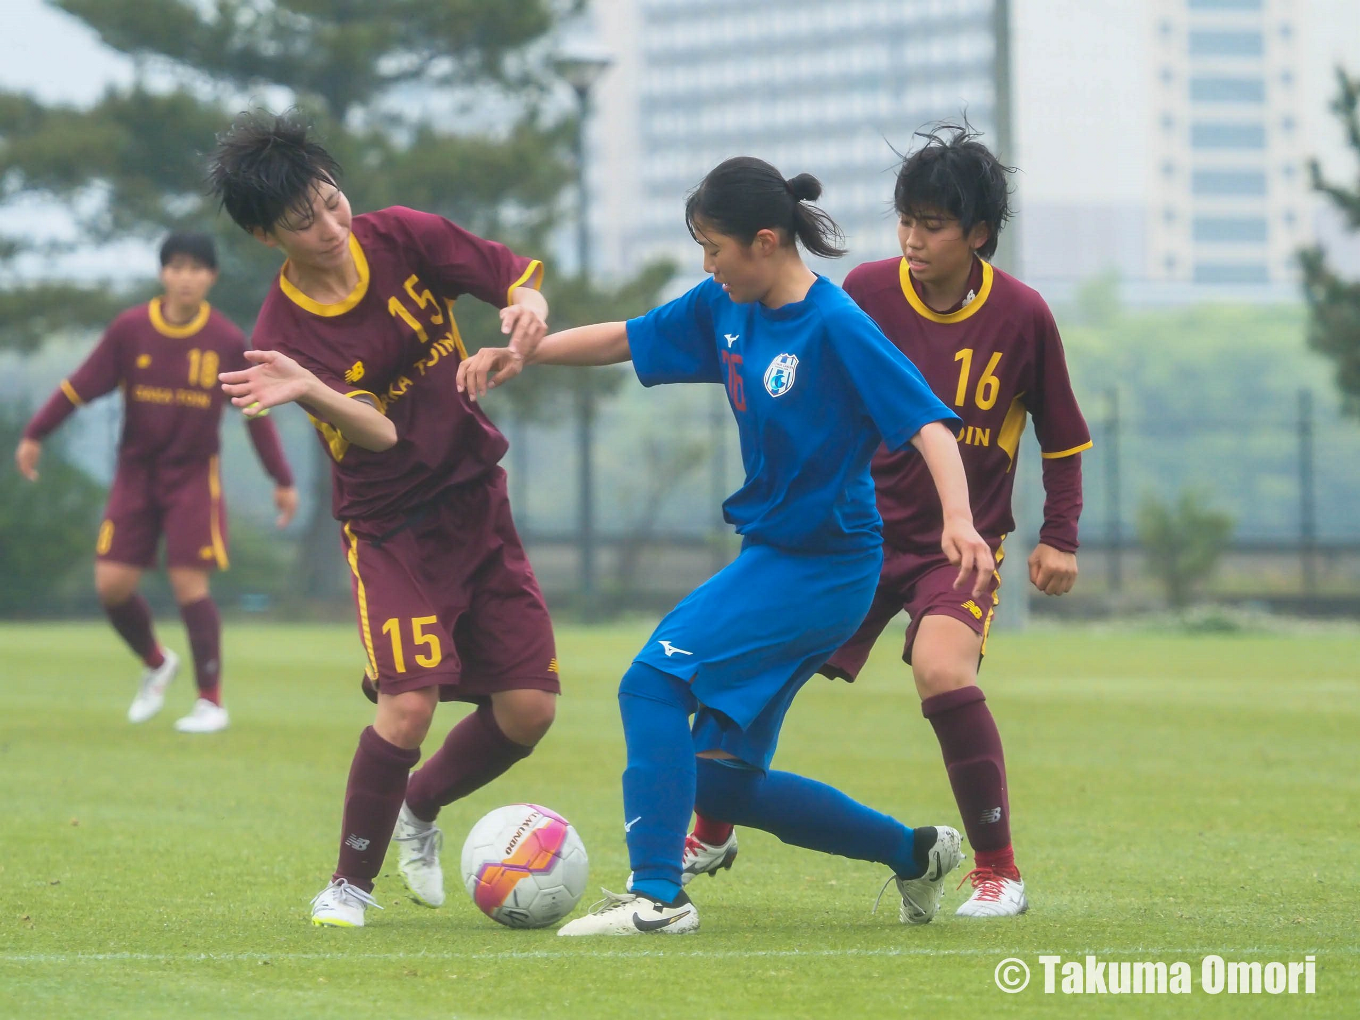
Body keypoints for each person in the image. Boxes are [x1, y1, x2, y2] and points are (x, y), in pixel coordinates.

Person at [458, 156, 994, 936]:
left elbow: (928, 424)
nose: (707, 265)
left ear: (765, 242)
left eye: (714, 248)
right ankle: (914, 853)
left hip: (824, 568)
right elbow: (628, 338)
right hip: (775, 557)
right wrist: (525, 354)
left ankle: (658, 897)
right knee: (720, 782)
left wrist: (960, 519)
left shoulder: (835, 324)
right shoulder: (726, 305)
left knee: (651, 684)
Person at [686, 126, 1091, 919]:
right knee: (764, 666)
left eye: (933, 226)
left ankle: (997, 871)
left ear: (979, 234)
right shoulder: (865, 292)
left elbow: (1064, 437)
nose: (912, 239)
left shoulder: (1023, 315)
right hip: (854, 537)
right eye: (905, 221)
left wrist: (1060, 536)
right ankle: (711, 829)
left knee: (943, 670)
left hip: (956, 549)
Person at [207, 110, 559, 928]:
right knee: (408, 705)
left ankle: (419, 806)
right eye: (305, 222)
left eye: (333, 201)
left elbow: (511, 274)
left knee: (530, 712)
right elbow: (378, 433)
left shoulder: (402, 235)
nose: (332, 227)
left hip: (477, 499)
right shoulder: (282, 337)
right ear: (266, 236)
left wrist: (527, 307)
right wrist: (308, 387)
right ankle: (348, 887)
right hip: (392, 529)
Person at [15, 232, 297, 733]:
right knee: (111, 587)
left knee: (189, 582)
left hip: (193, 477)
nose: (186, 277)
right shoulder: (130, 329)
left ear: (211, 277)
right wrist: (36, 433)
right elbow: (79, 386)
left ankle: (210, 702)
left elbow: (254, 411)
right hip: (136, 475)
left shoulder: (226, 339)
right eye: (176, 267)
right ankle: (156, 662)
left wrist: (281, 478)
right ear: (163, 273)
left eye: (197, 268)